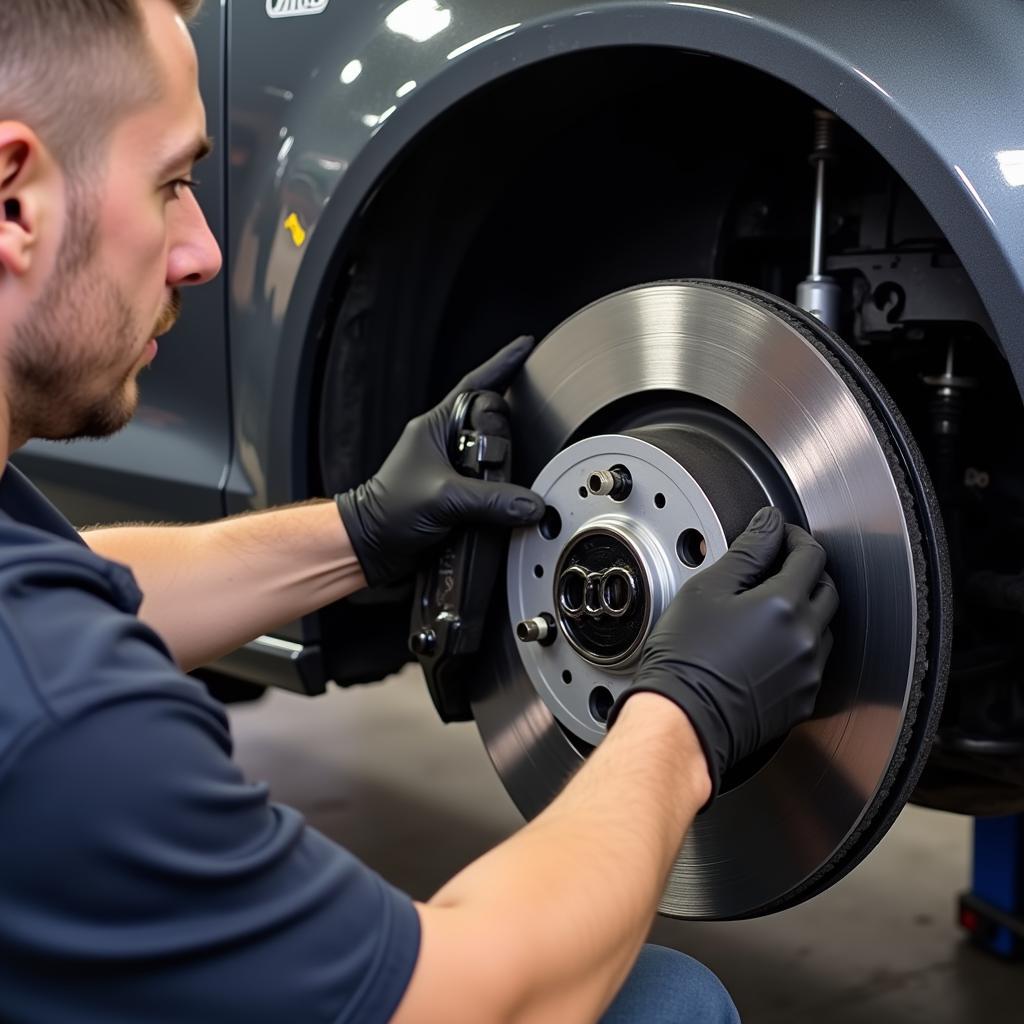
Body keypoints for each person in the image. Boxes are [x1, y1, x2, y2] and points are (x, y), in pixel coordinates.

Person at [0, 1, 837, 1021]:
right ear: (15, 201)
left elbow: (89, 593)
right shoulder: (66, 726)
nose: (202, 251)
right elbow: (482, 1001)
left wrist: (356, 528)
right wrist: (686, 715)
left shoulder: (32, 629)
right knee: (663, 1005)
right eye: (172, 183)